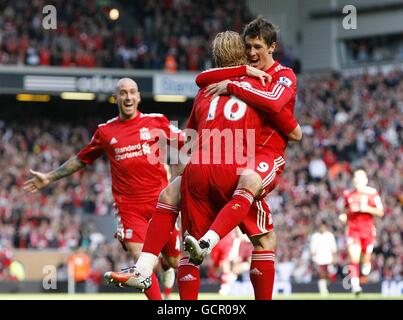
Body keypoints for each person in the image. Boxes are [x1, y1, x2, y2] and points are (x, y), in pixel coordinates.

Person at [105, 22, 301, 300]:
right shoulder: (260, 83)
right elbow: (291, 128)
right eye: (249, 48)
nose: (254, 53)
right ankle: (208, 244)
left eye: (258, 47)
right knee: (264, 238)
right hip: (238, 164)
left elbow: (189, 135)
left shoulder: (206, 89)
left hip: (200, 168)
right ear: (243, 55)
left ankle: (144, 268)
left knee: (175, 208)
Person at [23, 78, 183, 300]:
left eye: (132, 93)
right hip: (129, 208)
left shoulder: (156, 122)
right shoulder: (106, 132)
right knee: (141, 260)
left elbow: (187, 142)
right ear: (115, 98)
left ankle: (166, 264)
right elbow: (81, 159)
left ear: (138, 97)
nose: (128, 97)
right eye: (123, 93)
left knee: (175, 260)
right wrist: (49, 177)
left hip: (161, 203)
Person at [339, 169, 384, 295]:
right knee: (354, 257)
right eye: (356, 178)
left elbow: (381, 212)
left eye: (360, 178)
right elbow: (345, 211)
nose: (357, 181)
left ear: (365, 180)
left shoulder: (372, 193)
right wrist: (343, 216)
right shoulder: (348, 194)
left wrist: (367, 208)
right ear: (353, 180)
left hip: (368, 231)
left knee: (365, 257)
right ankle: (355, 286)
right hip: (353, 230)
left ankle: (367, 261)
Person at [309, 220, 338, 296]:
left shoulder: (330, 235)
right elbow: (312, 249)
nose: (322, 228)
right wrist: (313, 259)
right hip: (319, 259)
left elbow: (334, 248)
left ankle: (327, 288)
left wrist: (334, 258)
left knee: (329, 275)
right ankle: (323, 290)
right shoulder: (315, 236)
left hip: (328, 258)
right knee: (321, 275)